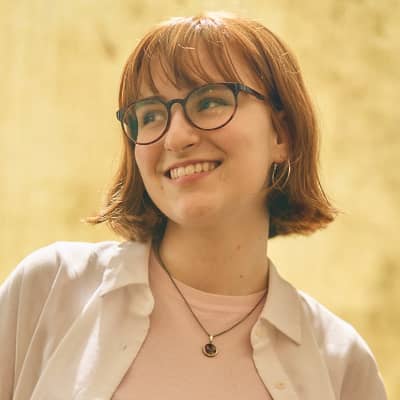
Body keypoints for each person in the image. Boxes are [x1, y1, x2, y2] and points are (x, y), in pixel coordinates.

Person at [0, 12, 387, 400]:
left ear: (281, 134)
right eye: (151, 115)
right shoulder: (50, 289)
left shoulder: (341, 365)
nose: (176, 137)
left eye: (211, 102)